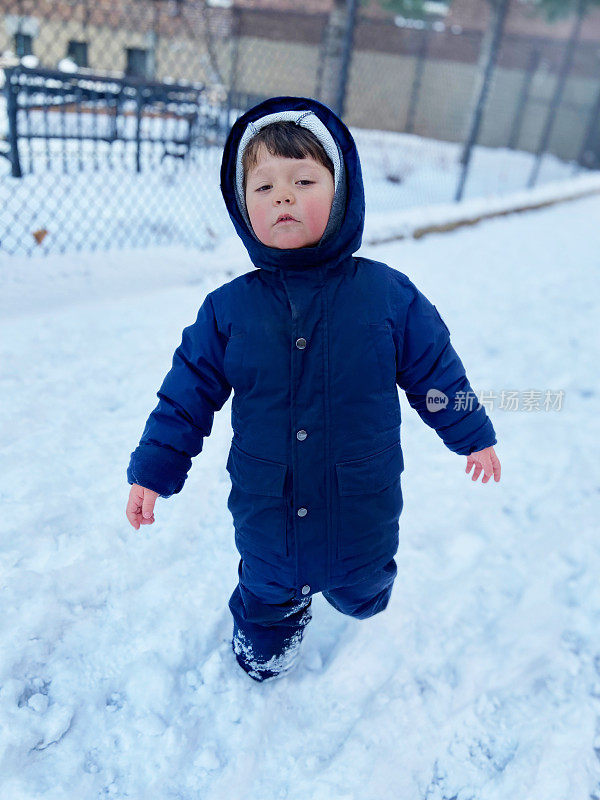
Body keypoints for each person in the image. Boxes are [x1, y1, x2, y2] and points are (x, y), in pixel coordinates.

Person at [125, 96, 501, 683]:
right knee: (267, 583)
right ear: (242, 207)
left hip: (363, 497)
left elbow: (436, 371)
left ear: (342, 192)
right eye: (263, 186)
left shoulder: (387, 295)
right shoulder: (228, 309)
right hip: (266, 499)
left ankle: (359, 593)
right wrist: (154, 468)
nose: (283, 196)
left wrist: (471, 432)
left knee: (365, 581)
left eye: (303, 180)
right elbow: (186, 395)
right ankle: (271, 630)